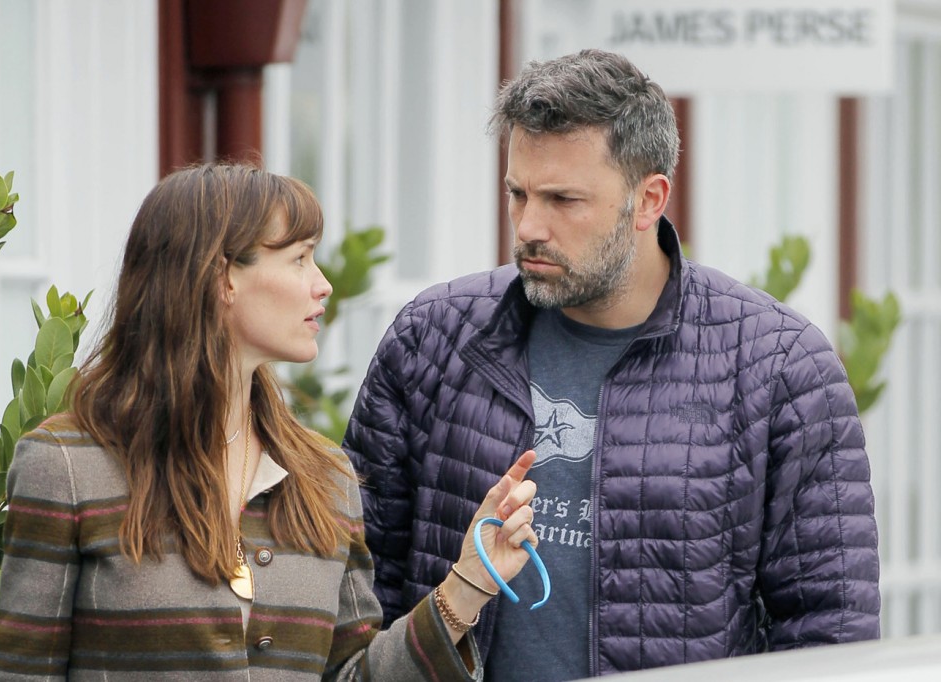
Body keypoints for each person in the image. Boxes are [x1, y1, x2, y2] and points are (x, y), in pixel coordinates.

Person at [343, 49, 881, 680]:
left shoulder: (778, 366)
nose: (529, 226)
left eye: (564, 199)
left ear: (648, 199)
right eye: (518, 194)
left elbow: (830, 632)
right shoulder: (433, 337)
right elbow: (357, 584)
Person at [0, 163, 541, 681]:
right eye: (299, 258)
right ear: (221, 277)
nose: (322, 284)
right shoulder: (65, 466)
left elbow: (351, 674)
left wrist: (468, 582)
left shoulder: (325, 478)